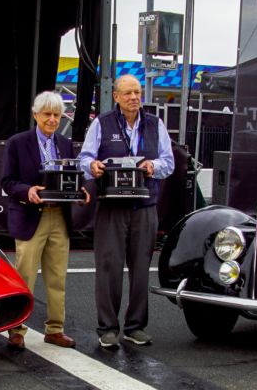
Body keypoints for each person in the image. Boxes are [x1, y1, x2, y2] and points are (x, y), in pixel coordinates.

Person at [79, 74, 175, 349]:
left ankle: (136, 327)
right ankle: (108, 328)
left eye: (137, 92)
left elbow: (168, 162)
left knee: (142, 269)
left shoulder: (156, 124)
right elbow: (85, 157)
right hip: (111, 206)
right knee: (108, 267)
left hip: (144, 206)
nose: (134, 97)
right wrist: (93, 167)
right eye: (128, 93)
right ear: (117, 97)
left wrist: (152, 167)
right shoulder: (102, 123)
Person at [0, 91, 87, 350]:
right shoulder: (17, 142)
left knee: (57, 277)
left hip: (60, 217)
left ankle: (55, 329)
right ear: (35, 114)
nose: (52, 119)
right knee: (25, 276)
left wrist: (80, 192)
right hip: (30, 216)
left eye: (57, 115)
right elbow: (7, 181)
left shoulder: (65, 143)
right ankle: (16, 329)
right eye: (47, 114)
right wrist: (27, 191)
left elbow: (71, 178)